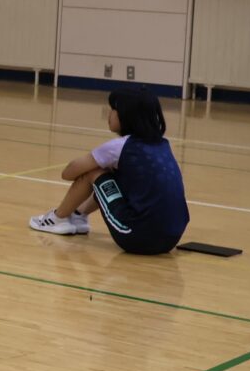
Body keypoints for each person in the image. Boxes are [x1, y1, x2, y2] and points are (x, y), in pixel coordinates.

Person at [28, 87, 188, 255]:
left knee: (94, 172)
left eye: (114, 109)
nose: (109, 114)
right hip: (172, 237)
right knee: (118, 174)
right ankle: (78, 215)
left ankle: (57, 218)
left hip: (137, 237)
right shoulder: (163, 144)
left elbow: (67, 173)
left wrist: (97, 166)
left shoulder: (119, 147)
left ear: (127, 115)